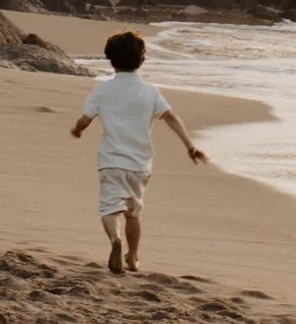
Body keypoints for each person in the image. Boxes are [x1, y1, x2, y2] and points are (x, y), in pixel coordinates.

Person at [69, 29, 205, 274]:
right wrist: (190, 146)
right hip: (140, 164)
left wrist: (77, 130)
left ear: (110, 59)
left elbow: (85, 119)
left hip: (111, 161)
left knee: (109, 209)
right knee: (133, 213)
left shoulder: (102, 90)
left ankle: (115, 240)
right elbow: (171, 117)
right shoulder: (150, 91)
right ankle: (132, 257)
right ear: (141, 60)